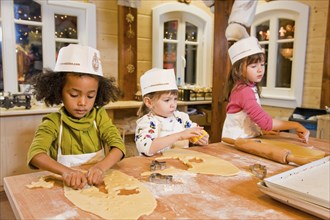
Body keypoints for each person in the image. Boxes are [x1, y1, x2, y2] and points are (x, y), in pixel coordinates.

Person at [27, 44, 126, 189]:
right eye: (74, 95)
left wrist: (100, 168)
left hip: (96, 185)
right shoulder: (53, 122)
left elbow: (118, 146)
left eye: (90, 96)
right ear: (59, 91)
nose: (82, 103)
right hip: (63, 187)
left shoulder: (99, 116)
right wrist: (66, 172)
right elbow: (35, 154)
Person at [222, 36, 310, 143]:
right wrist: (295, 125)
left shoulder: (249, 86)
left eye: (262, 64)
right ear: (238, 70)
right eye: (253, 66)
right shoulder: (244, 91)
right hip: (235, 144)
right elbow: (265, 122)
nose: (260, 70)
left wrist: (260, 130)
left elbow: (252, 118)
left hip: (245, 141)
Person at [135, 68, 209, 156]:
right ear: (149, 102)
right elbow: (147, 148)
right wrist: (179, 136)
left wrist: (201, 138)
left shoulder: (181, 118)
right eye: (167, 100)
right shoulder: (146, 123)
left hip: (180, 164)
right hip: (155, 166)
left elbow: (194, 131)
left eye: (175, 99)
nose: (173, 104)